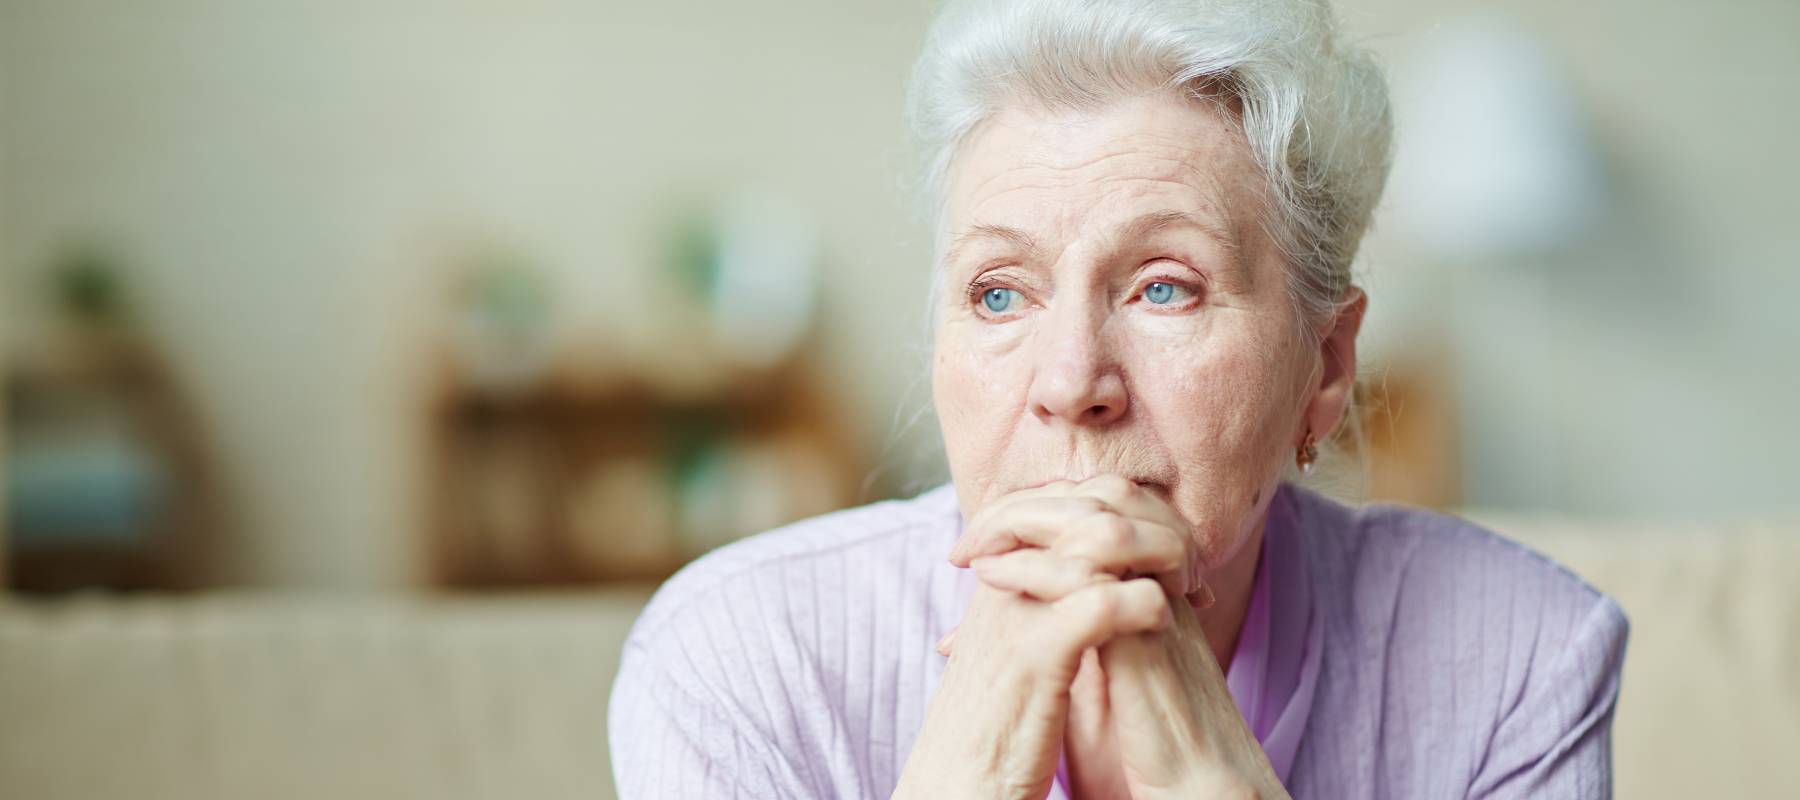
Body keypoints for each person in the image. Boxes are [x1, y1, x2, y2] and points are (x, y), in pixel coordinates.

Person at [609, 0, 1629, 796]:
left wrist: (1208, 776)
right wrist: (968, 770)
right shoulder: (736, 660)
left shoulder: (1519, 656)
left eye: (1164, 287)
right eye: (999, 292)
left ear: (1323, 366)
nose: (1069, 382)